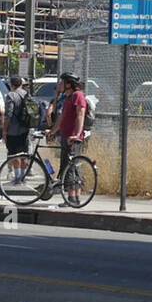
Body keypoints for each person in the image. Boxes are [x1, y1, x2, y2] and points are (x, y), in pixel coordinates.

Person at [55, 72, 88, 207]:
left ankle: (72, 198)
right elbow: (62, 118)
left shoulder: (77, 95)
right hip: (65, 135)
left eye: (62, 82)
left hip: (72, 137)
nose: (59, 84)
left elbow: (80, 115)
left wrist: (77, 134)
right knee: (68, 165)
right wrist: (52, 131)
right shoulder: (68, 97)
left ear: (69, 84)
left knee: (71, 167)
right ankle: (73, 198)